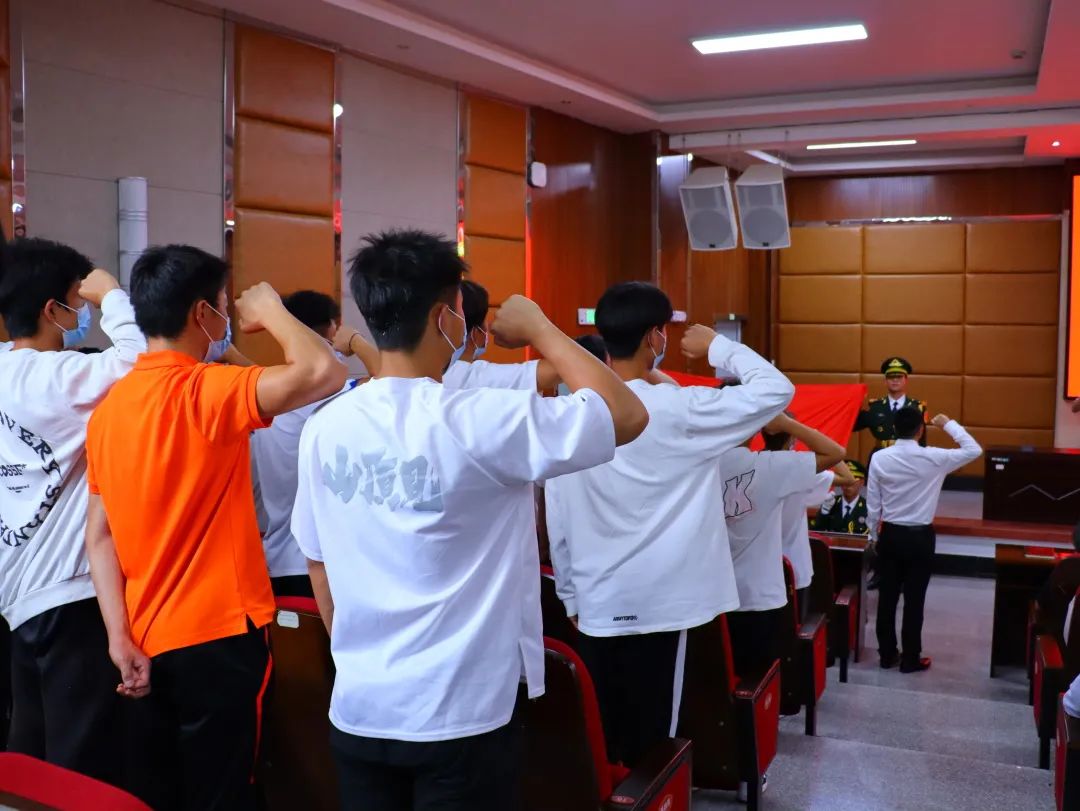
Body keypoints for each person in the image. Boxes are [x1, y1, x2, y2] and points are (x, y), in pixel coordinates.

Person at [291, 229, 648, 811]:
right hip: (460, 717)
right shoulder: (481, 419)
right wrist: (541, 329)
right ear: (445, 318)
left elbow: (318, 563)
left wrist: (360, 663)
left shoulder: (325, 425)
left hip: (360, 708)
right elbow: (627, 415)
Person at [84, 245, 347, 811]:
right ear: (203, 313)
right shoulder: (208, 390)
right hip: (219, 638)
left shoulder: (110, 409)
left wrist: (117, 636)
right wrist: (273, 312)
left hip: (145, 638)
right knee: (224, 792)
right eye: (224, 306)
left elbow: (98, 536)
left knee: (164, 792)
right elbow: (326, 371)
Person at [544, 281, 794, 768]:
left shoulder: (569, 413)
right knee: (652, 743)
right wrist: (718, 347)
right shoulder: (684, 410)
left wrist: (571, 596)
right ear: (655, 338)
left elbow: (558, 517)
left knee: (604, 742)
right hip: (662, 605)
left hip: (597, 600)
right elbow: (776, 390)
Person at [0, 238, 145, 789]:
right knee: (80, 766)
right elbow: (143, 360)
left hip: (15, 595)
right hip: (69, 593)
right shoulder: (59, 376)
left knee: (29, 755)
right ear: (51, 310)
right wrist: (113, 296)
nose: (81, 313)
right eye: (76, 302)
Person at [721, 413, 846, 680]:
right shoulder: (771, 465)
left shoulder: (704, 463)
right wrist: (787, 424)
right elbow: (836, 453)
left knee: (724, 680)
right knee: (763, 682)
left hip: (717, 593)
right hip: (759, 594)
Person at [251, 290, 357, 598]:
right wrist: (357, 343)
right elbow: (398, 384)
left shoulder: (264, 395)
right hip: (325, 565)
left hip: (276, 564)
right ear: (334, 328)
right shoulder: (340, 393)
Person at [867, 407, 982, 673]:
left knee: (887, 598)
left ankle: (886, 655)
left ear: (894, 428)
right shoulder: (935, 457)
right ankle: (910, 659)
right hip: (920, 538)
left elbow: (873, 502)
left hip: (890, 535)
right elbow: (973, 450)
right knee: (914, 600)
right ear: (921, 430)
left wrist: (873, 535)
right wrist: (948, 424)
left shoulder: (879, 458)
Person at [763, 417, 853, 620]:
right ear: (792, 437)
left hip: (760, 570)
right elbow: (848, 478)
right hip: (794, 564)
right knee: (793, 628)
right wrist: (815, 442)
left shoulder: (753, 463)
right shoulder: (800, 467)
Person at [855, 357, 929, 451]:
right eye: (890, 377)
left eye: (899, 377)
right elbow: (852, 425)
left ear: (906, 380)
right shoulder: (875, 406)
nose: (895, 380)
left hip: (907, 456)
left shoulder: (917, 407)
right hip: (880, 454)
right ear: (885, 381)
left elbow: (922, 441)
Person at [811, 459, 870, 535]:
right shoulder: (831, 503)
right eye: (845, 480)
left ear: (862, 482)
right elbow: (816, 531)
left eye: (853, 480)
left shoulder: (868, 508)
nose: (848, 484)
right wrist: (824, 512)